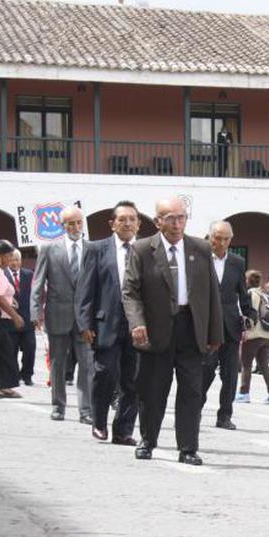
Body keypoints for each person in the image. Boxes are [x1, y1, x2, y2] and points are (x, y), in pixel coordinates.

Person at [122, 197, 223, 466]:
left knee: (192, 392)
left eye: (181, 218)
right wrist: (137, 323)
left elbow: (212, 292)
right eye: (170, 219)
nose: (177, 224)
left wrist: (215, 333)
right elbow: (130, 291)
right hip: (156, 330)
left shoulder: (201, 248)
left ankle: (188, 448)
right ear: (158, 221)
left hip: (191, 328)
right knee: (153, 390)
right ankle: (148, 441)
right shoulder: (142, 249)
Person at [75, 200, 141, 445]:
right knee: (105, 373)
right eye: (122, 219)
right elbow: (85, 289)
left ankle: (123, 430)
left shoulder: (146, 250)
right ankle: (99, 421)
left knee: (133, 380)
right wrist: (84, 324)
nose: (127, 223)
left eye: (132, 219)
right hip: (106, 323)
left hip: (138, 325)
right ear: (112, 224)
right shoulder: (96, 249)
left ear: (138, 224)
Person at [31, 205, 94, 423]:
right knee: (58, 363)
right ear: (62, 225)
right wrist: (35, 311)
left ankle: (86, 410)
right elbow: (38, 282)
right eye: (71, 223)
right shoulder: (49, 249)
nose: (76, 227)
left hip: (86, 317)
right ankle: (58, 406)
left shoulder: (92, 249)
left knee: (87, 364)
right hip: (57, 314)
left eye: (79, 222)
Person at [202, 220, 254, 430]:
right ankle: (195, 408)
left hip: (231, 325)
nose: (221, 243)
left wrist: (249, 314)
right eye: (217, 238)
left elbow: (242, 292)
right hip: (206, 326)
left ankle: (224, 415)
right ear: (210, 237)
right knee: (205, 371)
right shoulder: (200, 258)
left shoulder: (237, 262)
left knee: (231, 374)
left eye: (226, 239)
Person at [235, 270, 269, 405]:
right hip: (268, 334)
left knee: (246, 364)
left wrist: (245, 330)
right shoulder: (265, 295)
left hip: (255, 334)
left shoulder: (251, 294)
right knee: (264, 365)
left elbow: (250, 314)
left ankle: (244, 393)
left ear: (248, 281)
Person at [0, 240, 25, 398]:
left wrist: (11, 301)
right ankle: (5, 386)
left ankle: (5, 387)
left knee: (5, 352)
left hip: (0, 318)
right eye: (9, 256)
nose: (11, 259)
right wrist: (15, 315)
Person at [5, 249, 35, 386]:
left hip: (27, 321)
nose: (14, 263)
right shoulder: (1, 276)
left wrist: (36, 315)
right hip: (9, 321)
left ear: (20, 261)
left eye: (16, 260)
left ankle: (27, 375)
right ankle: (14, 375)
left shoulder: (29, 274)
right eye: (11, 260)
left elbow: (35, 295)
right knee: (11, 351)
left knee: (30, 348)